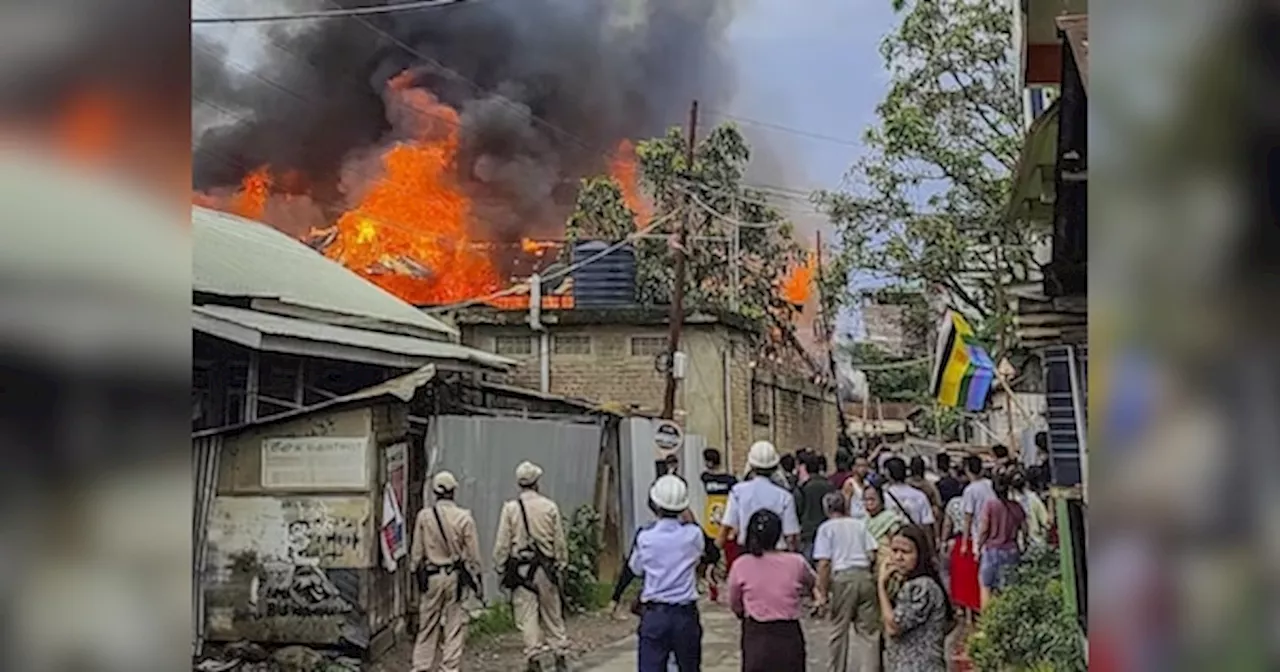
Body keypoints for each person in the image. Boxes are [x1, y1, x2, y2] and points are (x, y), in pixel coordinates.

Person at [630, 475, 712, 672]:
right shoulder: (693, 535)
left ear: (654, 504)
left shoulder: (645, 537)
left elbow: (636, 568)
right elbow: (703, 553)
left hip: (655, 614)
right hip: (685, 614)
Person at [493, 462, 570, 672]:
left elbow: (503, 542)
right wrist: (561, 563)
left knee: (526, 615)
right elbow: (559, 541)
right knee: (552, 612)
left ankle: (534, 657)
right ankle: (559, 653)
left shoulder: (510, 509)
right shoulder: (549, 506)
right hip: (545, 568)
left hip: (521, 570)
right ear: (537, 482)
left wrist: (500, 565)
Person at [411, 471, 482, 672]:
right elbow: (474, 555)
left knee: (427, 624)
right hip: (455, 577)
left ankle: (421, 666)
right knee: (454, 623)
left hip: (432, 576)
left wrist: (415, 572)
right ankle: (449, 667)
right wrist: (477, 576)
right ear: (453, 492)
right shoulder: (464, 517)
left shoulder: (424, 517)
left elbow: (417, 552)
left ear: (435, 492)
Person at [728, 509, 815, 672]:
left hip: (757, 634)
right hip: (788, 634)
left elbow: (734, 601)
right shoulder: (796, 562)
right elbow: (812, 583)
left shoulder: (741, 564)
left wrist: (741, 612)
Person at [813, 491, 880, 672]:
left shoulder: (826, 528)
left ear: (826, 509)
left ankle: (837, 668)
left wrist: (822, 592)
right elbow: (873, 553)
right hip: (864, 576)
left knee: (838, 631)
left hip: (842, 577)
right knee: (869, 633)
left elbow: (824, 563)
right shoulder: (859, 525)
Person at [878, 525, 954, 672]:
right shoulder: (910, 584)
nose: (898, 557)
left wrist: (881, 585)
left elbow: (893, 627)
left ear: (920, 554)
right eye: (894, 551)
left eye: (906, 552)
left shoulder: (921, 587)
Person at [718, 441, 801, 553]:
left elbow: (726, 527)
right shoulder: (785, 496)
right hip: (777, 553)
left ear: (751, 465)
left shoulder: (738, 492)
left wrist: (715, 554)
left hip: (747, 552)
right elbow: (791, 536)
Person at [976, 470, 1027, 609]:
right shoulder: (1017, 507)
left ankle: (988, 623)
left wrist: (978, 546)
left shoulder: (990, 505)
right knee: (1009, 589)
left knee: (986, 587)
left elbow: (984, 529)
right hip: (1011, 550)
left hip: (992, 550)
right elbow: (1025, 529)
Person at [699, 448, 737, 602]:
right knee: (720, 556)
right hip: (720, 518)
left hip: (716, 519)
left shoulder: (707, 478)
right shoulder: (729, 480)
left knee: (718, 557)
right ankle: (717, 587)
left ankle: (717, 587)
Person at [795, 451, 836, 563]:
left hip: (809, 534)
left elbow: (798, 509)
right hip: (828, 531)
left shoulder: (804, 488)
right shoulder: (830, 485)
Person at [881, 457, 935, 534]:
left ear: (888, 473)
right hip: (914, 538)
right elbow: (927, 524)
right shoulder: (919, 495)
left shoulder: (883, 495)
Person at [1010, 468, 1050, 547]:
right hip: (1035, 540)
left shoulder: (1010, 502)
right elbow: (1045, 521)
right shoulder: (1033, 498)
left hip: (1021, 543)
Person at [905, 456, 942, 539]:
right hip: (926, 526)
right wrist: (937, 536)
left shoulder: (905, 486)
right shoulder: (930, 486)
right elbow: (937, 511)